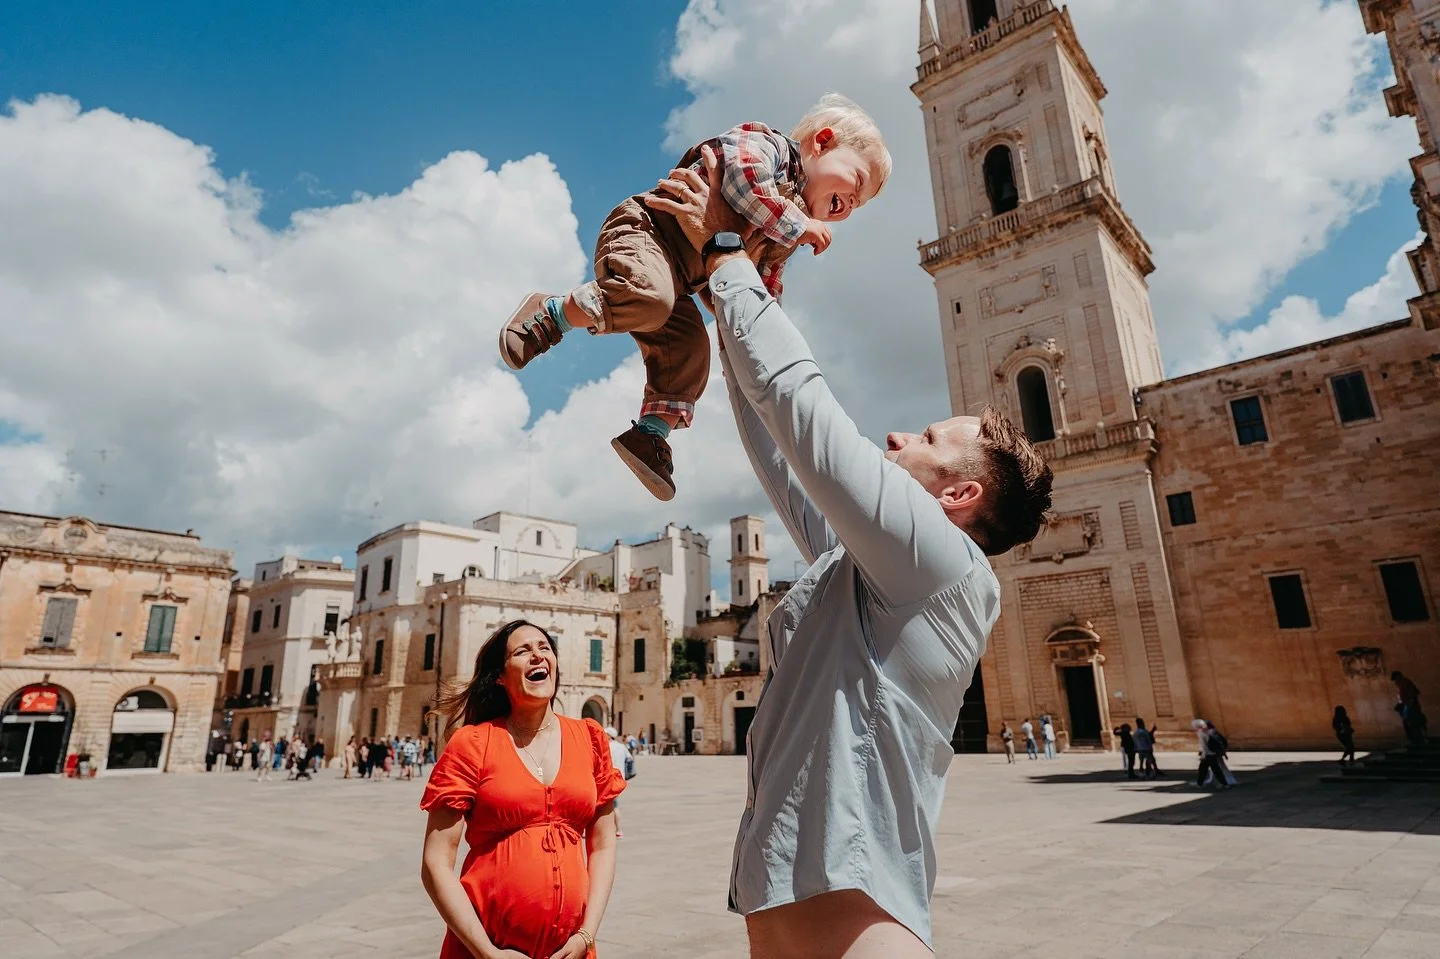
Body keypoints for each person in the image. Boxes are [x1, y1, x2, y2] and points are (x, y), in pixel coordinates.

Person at [646, 147, 1051, 958]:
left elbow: (808, 417)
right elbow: (780, 442)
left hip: (857, 912)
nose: (902, 434)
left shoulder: (942, 564)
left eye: (932, 439)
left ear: (959, 496)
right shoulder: (867, 571)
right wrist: (728, 285)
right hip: (789, 896)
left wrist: (726, 254)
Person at [499, 95, 892, 502]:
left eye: (857, 207)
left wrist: (756, 339)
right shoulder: (768, 148)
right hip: (646, 233)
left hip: (681, 282)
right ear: (822, 142)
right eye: (855, 184)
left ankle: (649, 435)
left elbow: (759, 289)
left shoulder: (784, 233)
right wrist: (798, 224)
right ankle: (550, 314)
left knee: (690, 353)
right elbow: (741, 182)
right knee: (651, 298)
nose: (847, 208)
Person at [420, 620, 623, 959]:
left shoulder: (590, 738)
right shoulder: (473, 743)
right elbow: (435, 863)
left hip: (571, 950)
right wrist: (487, 951)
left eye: (545, 648)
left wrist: (587, 934)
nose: (537, 656)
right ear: (500, 676)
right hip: (485, 950)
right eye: (522, 651)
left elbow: (602, 846)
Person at [605, 726, 635, 840]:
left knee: (608, 806)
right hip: (620, 779)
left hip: (608, 779)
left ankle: (613, 830)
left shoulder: (607, 746)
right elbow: (630, 758)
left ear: (609, 736)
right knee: (614, 805)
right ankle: (617, 830)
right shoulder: (622, 747)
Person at [1392, 671, 1428, 745]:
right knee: (1410, 723)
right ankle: (1416, 739)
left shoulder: (1406, 683)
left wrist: (1409, 704)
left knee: (1412, 723)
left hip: (1410, 707)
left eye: (1395, 679)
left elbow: (1413, 693)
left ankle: (1418, 740)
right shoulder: (1402, 684)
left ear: (1398, 677)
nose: (1395, 682)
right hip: (1408, 706)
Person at [1193, 719, 1229, 789]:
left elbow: (1204, 746)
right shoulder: (1207, 730)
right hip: (1213, 753)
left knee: (1205, 770)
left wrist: (1203, 755)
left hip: (1208, 755)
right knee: (1213, 769)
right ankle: (1225, 784)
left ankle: (1200, 783)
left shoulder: (1201, 733)